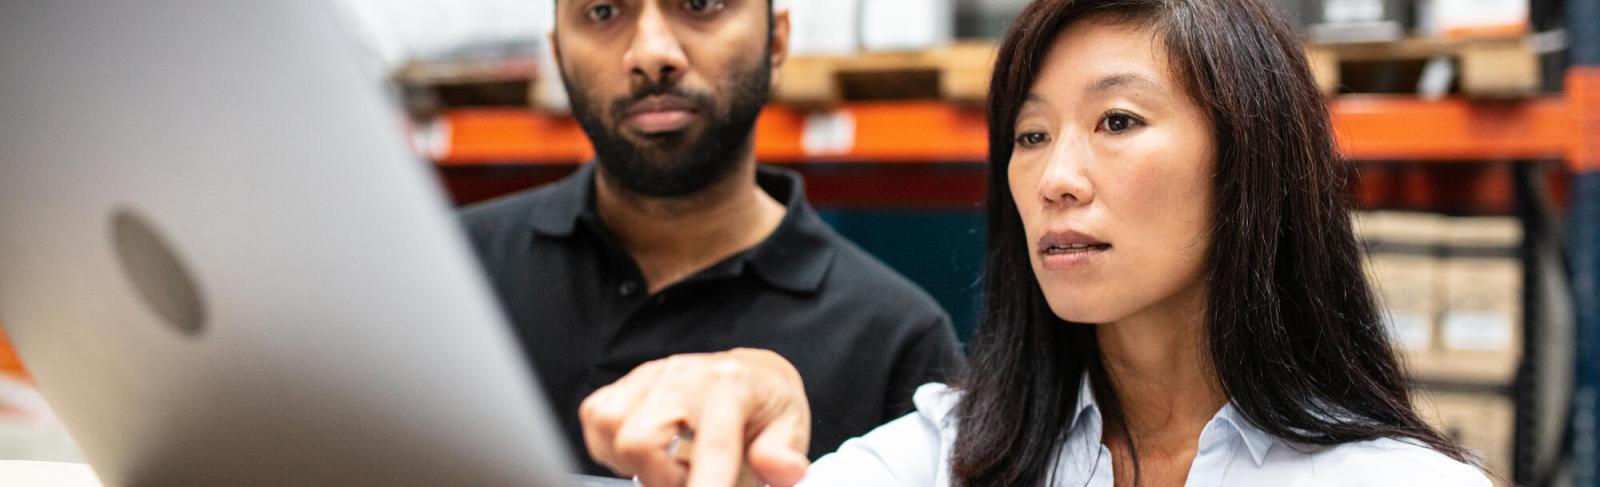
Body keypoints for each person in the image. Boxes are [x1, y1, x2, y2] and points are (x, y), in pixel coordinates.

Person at [575, 0, 1496, 485]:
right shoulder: (948, 456)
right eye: (1030, 134)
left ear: (1249, 160)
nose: (1057, 175)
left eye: (1119, 120)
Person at [457, 0, 966, 477]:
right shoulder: (453, 271)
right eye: (603, 10)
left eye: (700, 4)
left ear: (776, 41)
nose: (652, 54)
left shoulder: (898, 341)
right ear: (557, 53)